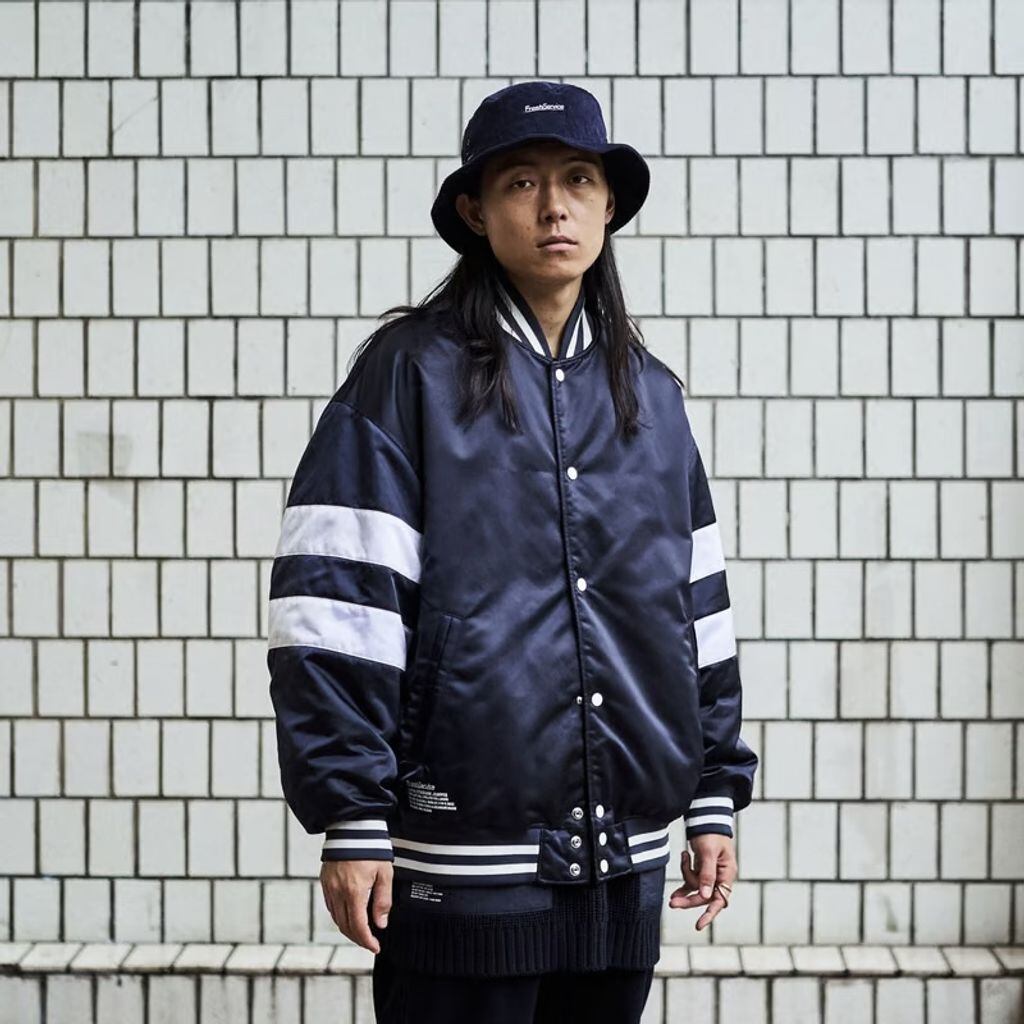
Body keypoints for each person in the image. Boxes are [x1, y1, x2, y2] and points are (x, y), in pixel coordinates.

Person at [266, 80, 758, 1024]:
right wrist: (352, 810)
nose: (554, 207)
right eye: (522, 182)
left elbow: (697, 610)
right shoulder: (408, 373)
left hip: (625, 863)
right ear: (475, 211)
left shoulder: (652, 398)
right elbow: (336, 603)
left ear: (610, 207)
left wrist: (711, 792)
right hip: (462, 856)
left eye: (578, 180)